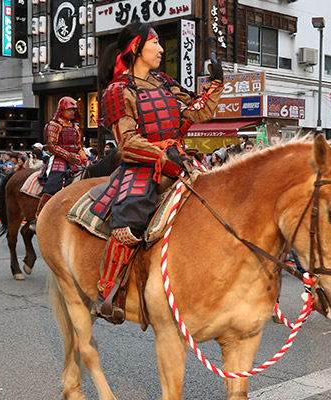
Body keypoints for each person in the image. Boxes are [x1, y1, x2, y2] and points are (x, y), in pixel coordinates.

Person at [89, 23, 223, 323]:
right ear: (136, 47)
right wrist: (162, 156)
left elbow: (198, 111)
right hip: (142, 165)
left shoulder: (164, 81)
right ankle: (108, 292)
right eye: (155, 43)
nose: (161, 49)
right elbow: (127, 142)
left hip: (179, 158)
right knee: (131, 215)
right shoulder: (117, 90)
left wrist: (215, 85)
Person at [29, 97, 88, 232]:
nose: (73, 112)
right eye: (70, 109)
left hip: (76, 160)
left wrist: (83, 157)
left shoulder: (76, 127)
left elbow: (78, 145)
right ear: (62, 110)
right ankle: (39, 216)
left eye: (74, 110)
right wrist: (69, 156)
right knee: (53, 184)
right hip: (59, 159)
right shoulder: (53, 125)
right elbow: (52, 146)